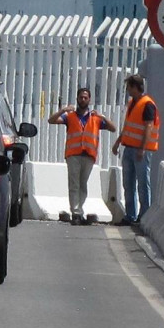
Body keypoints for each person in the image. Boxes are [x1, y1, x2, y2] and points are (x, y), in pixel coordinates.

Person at [48, 87, 116, 225]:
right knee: (74, 183)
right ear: (77, 99)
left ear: (89, 99)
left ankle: (79, 209)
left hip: (88, 155)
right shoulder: (70, 116)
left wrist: (103, 116)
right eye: (81, 97)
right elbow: (51, 120)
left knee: (83, 184)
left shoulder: (95, 118)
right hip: (73, 154)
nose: (83, 100)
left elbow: (113, 128)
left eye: (85, 97)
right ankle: (76, 213)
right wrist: (63, 110)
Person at [111, 74, 159, 226]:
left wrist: (142, 148)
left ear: (135, 87)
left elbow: (148, 127)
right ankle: (130, 215)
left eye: (129, 87)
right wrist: (118, 142)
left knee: (143, 183)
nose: (128, 91)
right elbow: (128, 126)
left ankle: (143, 215)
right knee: (128, 183)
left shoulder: (147, 104)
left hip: (140, 150)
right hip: (129, 147)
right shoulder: (132, 103)